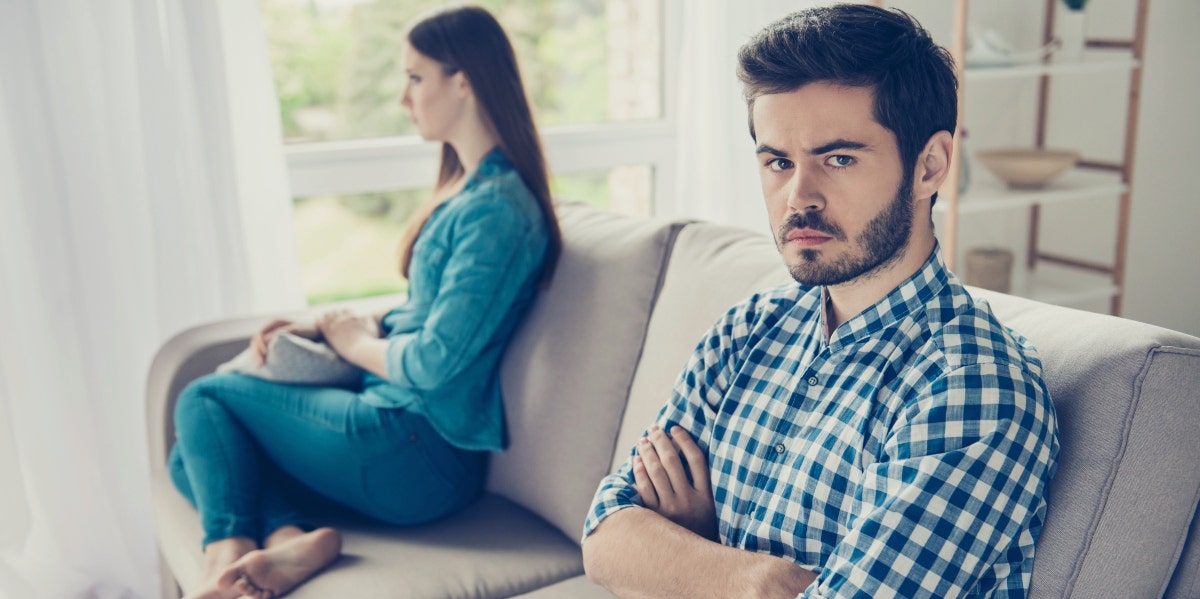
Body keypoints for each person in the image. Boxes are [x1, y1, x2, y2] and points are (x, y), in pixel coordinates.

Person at [582, 5, 1059, 598]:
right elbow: (604, 537)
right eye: (778, 162)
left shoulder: (973, 386)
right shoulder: (747, 329)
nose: (797, 197)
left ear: (930, 165)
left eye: (838, 159)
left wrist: (691, 550)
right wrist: (756, 579)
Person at [168, 5, 562, 598]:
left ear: (464, 80)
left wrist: (355, 344)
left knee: (202, 399)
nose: (404, 100)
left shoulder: (499, 212)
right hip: (399, 436)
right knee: (195, 459)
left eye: (414, 78)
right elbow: (427, 317)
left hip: (416, 448)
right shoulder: (471, 191)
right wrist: (326, 326)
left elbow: (433, 361)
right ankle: (286, 543)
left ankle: (224, 558)